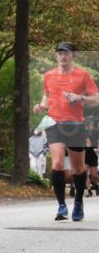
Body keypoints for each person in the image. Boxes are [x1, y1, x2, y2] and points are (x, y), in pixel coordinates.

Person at [33, 42, 99, 221]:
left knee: (78, 168)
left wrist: (80, 97)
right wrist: (41, 106)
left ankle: (78, 201)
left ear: (73, 56)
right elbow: (47, 96)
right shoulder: (48, 75)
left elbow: (96, 99)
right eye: (60, 53)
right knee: (57, 165)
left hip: (76, 125)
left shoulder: (83, 75)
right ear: (56, 56)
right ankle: (61, 206)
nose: (63, 56)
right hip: (54, 123)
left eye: (66, 53)